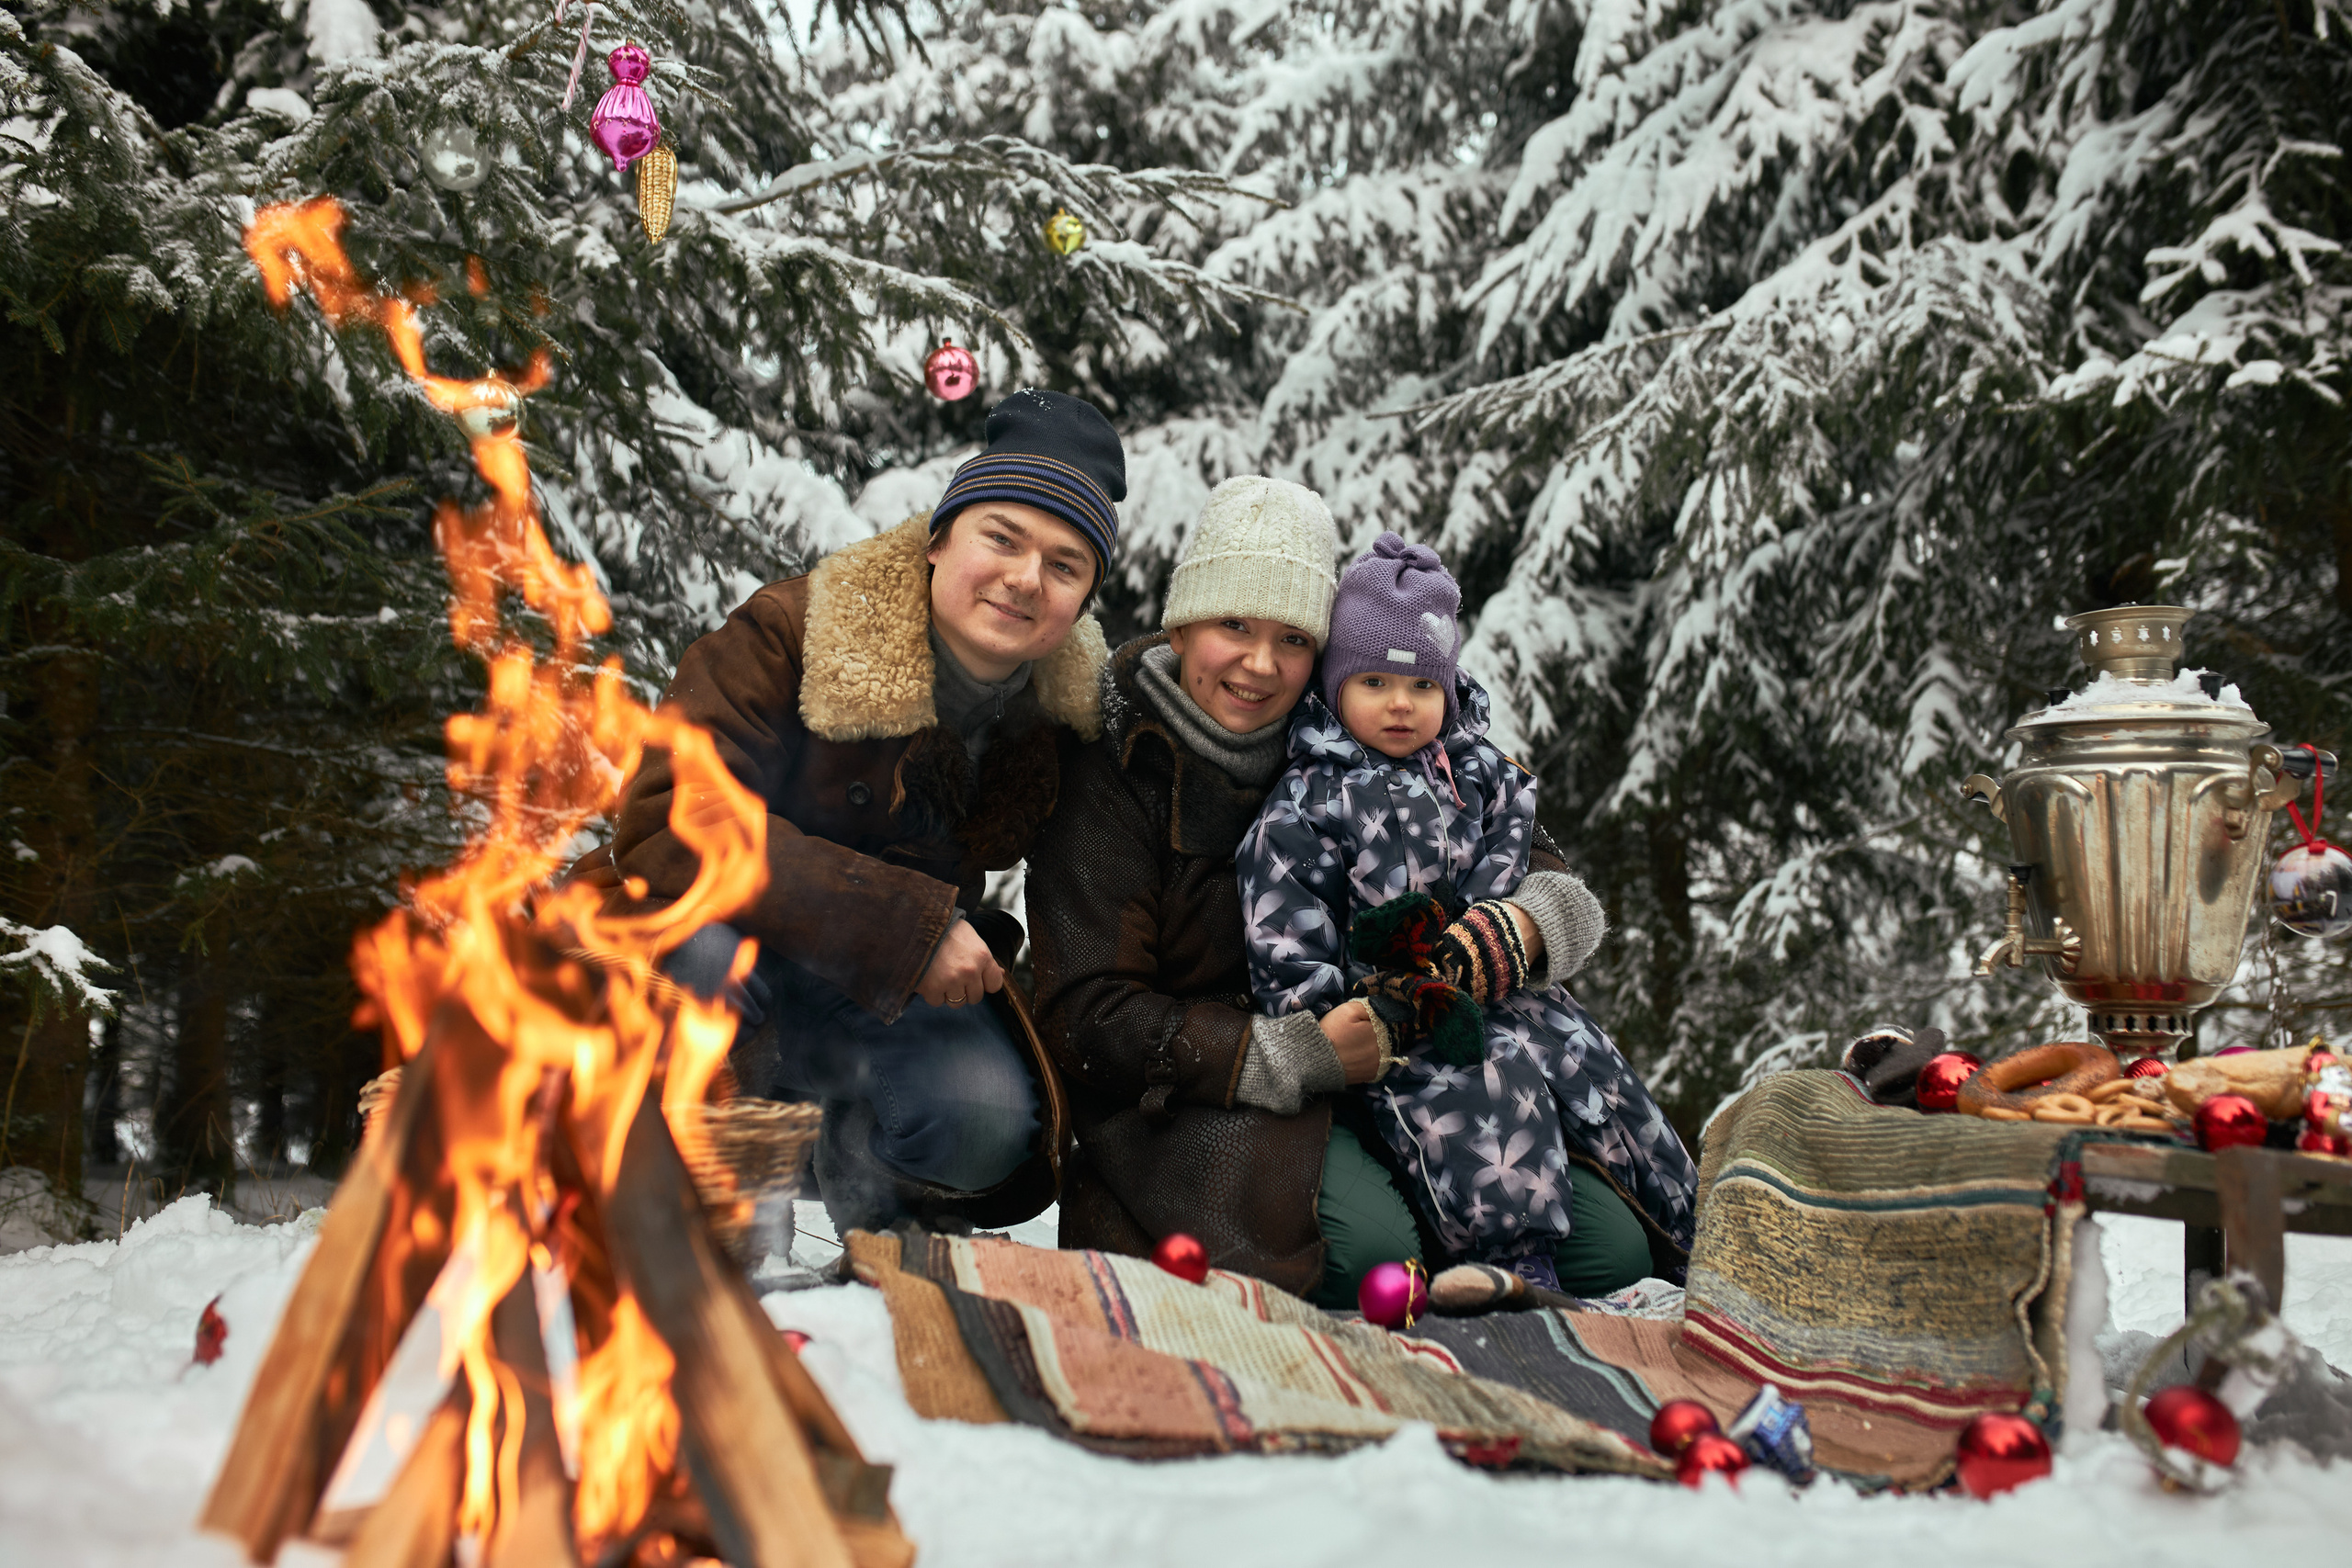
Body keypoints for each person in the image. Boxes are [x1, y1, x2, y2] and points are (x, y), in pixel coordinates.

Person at [1027, 479, 1632, 1305]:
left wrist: (1529, 921)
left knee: (1614, 1249)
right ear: (1182, 626)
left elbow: (1528, 846)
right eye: (1233, 625)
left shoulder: (1355, 725)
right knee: (1376, 1263)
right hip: (1200, 1098)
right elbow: (1084, 1013)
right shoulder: (1115, 767)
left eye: (1293, 637)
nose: (1260, 663)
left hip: (1404, 1069)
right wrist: (1279, 1052)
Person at [575, 389, 1120, 1234]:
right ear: (939, 541)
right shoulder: (792, 629)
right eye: (1002, 539)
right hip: (723, 936)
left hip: (867, 995)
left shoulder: (1061, 720)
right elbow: (671, 813)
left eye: (1065, 565)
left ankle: (849, 1162)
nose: (1025, 580)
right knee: (704, 962)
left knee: (981, 1120)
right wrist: (909, 928)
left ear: (1082, 602)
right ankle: (685, 1172)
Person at [1235, 533, 1698, 1295]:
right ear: (1334, 685)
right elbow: (1282, 927)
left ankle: (1691, 1234)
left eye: (1420, 686)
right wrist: (1330, 1013)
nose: (1398, 703)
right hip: (1396, 1013)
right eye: (1374, 681)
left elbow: (1517, 860)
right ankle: (1515, 1257)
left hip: (1501, 983)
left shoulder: (1478, 772)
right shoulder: (1310, 800)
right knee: (1478, 1089)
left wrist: (1506, 925)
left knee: (1603, 1077)